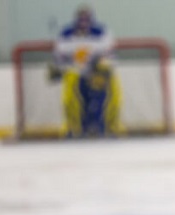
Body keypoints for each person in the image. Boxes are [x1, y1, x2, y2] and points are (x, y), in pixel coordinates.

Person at [50, 5, 122, 137]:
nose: (83, 23)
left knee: (115, 96)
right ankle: (73, 129)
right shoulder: (65, 34)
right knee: (68, 99)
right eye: (81, 19)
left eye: (86, 19)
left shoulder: (102, 32)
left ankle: (111, 127)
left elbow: (110, 55)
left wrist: (100, 66)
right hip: (75, 72)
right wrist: (60, 68)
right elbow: (59, 56)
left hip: (98, 72)